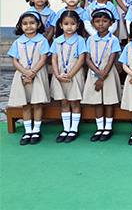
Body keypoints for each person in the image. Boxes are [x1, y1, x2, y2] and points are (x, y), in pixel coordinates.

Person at [7, 12, 50, 145]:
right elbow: (15, 61)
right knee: (25, 104)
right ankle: (28, 131)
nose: (29, 26)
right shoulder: (18, 42)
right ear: (20, 26)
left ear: (39, 24)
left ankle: (36, 130)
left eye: (32, 23)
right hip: (22, 76)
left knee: (37, 103)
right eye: (25, 24)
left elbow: (43, 59)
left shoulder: (42, 41)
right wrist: (26, 73)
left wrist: (32, 73)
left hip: (38, 75)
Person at [82, 9, 122, 142]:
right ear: (92, 23)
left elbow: (112, 58)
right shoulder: (90, 39)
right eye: (97, 21)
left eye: (104, 21)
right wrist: (98, 74)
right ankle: (100, 128)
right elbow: (88, 59)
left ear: (111, 23)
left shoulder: (113, 39)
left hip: (108, 73)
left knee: (109, 101)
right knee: (97, 101)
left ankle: (108, 128)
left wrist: (103, 75)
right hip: (95, 73)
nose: (101, 24)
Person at [50, 10, 87, 143]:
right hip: (59, 74)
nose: (69, 27)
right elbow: (54, 59)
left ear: (78, 25)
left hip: (74, 74)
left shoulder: (80, 40)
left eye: (72, 24)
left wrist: (70, 74)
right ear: (61, 25)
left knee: (74, 101)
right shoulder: (57, 41)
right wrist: (57, 75)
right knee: (64, 102)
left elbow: (81, 59)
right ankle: (66, 128)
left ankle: (74, 129)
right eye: (66, 24)